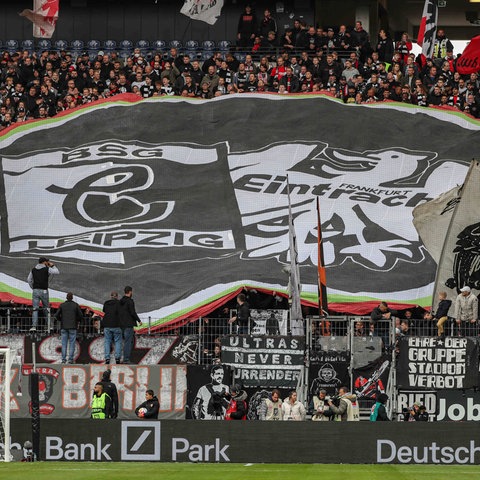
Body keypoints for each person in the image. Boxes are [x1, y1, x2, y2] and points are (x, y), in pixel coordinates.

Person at [27, 257, 59, 331]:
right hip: (44, 290)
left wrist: (33, 288)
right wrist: (52, 265)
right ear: (45, 262)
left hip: (35, 291)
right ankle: (50, 326)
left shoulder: (33, 269)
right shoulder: (47, 269)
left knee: (35, 308)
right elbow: (57, 272)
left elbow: (29, 280)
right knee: (46, 308)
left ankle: (34, 326)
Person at [54, 292, 83, 364]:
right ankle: (70, 359)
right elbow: (81, 315)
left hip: (64, 326)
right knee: (72, 343)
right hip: (73, 326)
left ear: (66, 297)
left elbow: (56, 315)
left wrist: (61, 320)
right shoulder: (75, 305)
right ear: (72, 297)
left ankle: (63, 360)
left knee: (64, 344)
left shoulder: (62, 305)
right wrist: (76, 320)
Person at [119, 286, 142, 364]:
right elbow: (132, 312)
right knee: (128, 342)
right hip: (128, 324)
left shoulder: (120, 301)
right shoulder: (130, 301)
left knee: (121, 342)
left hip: (121, 325)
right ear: (130, 292)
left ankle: (119, 359)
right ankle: (126, 359)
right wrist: (139, 320)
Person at [102, 291, 122, 364]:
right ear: (116, 296)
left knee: (107, 341)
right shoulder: (119, 303)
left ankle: (107, 358)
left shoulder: (106, 303)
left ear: (110, 296)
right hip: (117, 325)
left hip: (107, 325)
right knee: (117, 341)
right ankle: (117, 358)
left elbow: (104, 310)